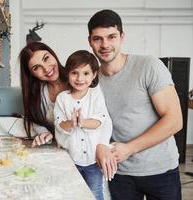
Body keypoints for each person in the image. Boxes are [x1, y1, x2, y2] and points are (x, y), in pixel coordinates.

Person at [87, 9, 183, 200]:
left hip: (161, 170)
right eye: (98, 38)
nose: (105, 44)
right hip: (119, 173)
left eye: (111, 37)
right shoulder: (90, 79)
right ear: (89, 41)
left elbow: (175, 120)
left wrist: (129, 148)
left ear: (122, 37)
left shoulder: (148, 65)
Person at [54, 50, 112, 200]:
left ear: (94, 75)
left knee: (95, 193)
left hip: (93, 161)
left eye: (86, 73)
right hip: (71, 160)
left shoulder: (96, 94)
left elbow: (101, 119)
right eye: (75, 73)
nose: (80, 78)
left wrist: (83, 122)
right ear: (68, 74)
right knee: (72, 194)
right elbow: (59, 125)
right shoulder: (62, 98)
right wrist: (71, 123)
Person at [19, 42, 68, 147]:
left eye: (46, 58)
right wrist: (43, 132)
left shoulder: (79, 80)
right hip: (56, 148)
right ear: (31, 74)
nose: (46, 69)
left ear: (53, 55)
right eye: (36, 68)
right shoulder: (38, 94)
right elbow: (35, 119)